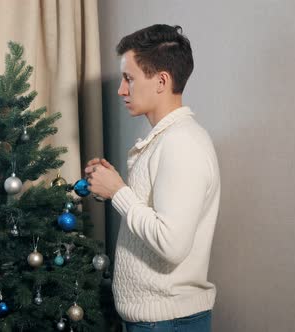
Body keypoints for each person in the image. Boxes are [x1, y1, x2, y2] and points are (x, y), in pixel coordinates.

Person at [85, 25, 220, 332]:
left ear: (161, 81)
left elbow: (171, 243)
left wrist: (119, 192)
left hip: (166, 323)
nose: (121, 89)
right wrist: (112, 185)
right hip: (156, 321)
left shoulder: (181, 143)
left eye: (129, 78)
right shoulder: (164, 140)